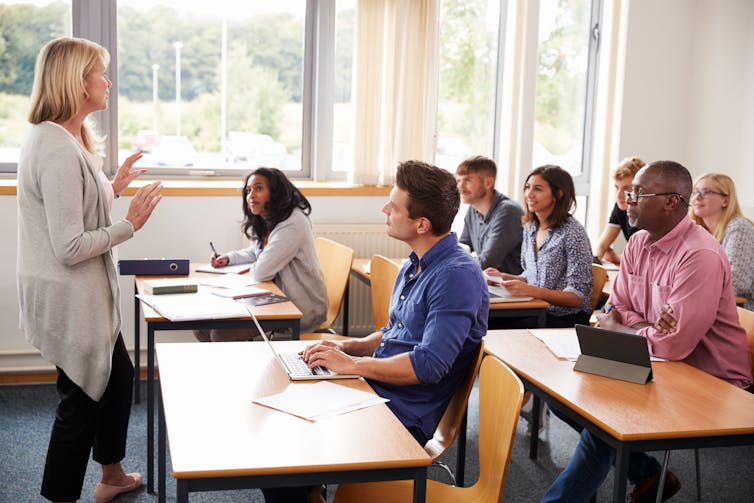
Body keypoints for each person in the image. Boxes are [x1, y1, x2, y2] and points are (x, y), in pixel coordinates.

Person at [263, 160, 488, 503]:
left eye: (394, 207)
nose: (385, 209)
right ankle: (312, 491)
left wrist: (352, 367)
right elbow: (395, 332)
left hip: (401, 415)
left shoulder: (456, 276)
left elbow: (428, 365)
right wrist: (350, 348)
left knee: (279, 453)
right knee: (279, 416)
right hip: (375, 391)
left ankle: (308, 489)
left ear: (422, 224)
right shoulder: (415, 264)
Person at [541, 161, 753, 503]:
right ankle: (650, 473)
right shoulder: (638, 243)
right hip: (656, 363)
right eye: (628, 192)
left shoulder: (700, 255)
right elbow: (616, 309)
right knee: (564, 399)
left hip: (709, 380)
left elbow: (673, 345)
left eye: (637, 193)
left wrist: (629, 325)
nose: (627, 201)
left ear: (671, 202)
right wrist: (641, 326)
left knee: (605, 420)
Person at [16, 37, 163, 503]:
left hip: (79, 294)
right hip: (69, 294)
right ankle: (59, 495)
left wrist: (112, 186)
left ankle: (112, 474)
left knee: (117, 377)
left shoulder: (63, 138)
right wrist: (129, 225)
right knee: (80, 399)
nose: (108, 81)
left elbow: (76, 209)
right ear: (79, 83)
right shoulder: (57, 148)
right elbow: (70, 245)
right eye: (102, 72)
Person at [194, 167, 328, 340]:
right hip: (275, 299)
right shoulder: (269, 217)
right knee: (201, 327)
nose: (251, 195)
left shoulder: (293, 222)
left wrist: (246, 273)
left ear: (275, 192)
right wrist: (229, 259)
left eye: (258, 188)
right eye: (248, 190)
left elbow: (261, 272)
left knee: (222, 333)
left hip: (299, 308)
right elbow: (257, 252)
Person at [486, 165, 593, 328]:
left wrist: (532, 291)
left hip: (563, 318)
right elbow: (532, 277)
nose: (529, 194)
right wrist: (504, 277)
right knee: (479, 319)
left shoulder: (573, 233)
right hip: (536, 311)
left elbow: (576, 297)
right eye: (527, 187)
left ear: (558, 194)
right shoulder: (530, 228)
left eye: (538, 189)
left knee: (487, 324)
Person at [689, 173, 754, 311]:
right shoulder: (697, 230)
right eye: (695, 191)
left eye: (706, 192)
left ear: (725, 200)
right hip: (713, 304)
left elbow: (736, 283)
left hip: (744, 311)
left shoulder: (739, 228)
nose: (697, 197)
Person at [455, 155, 523, 273]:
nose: (460, 187)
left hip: (508, 288)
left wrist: (454, 263)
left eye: (467, 180)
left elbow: (487, 263)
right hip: (488, 284)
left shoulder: (508, 212)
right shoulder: (473, 209)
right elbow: (462, 248)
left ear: (488, 182)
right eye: (459, 180)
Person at [593, 156, 644, 265]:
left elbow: (644, 260)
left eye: (626, 188)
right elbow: (601, 246)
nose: (619, 195)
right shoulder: (621, 206)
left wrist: (617, 258)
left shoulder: (652, 214)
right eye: (617, 187)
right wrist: (595, 260)